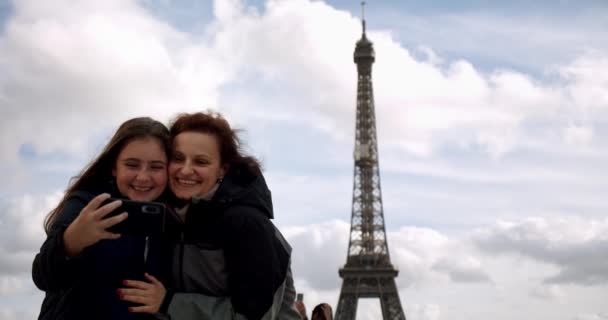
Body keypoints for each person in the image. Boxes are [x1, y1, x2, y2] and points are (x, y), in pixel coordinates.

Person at [119, 111, 302, 320]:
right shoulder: (167, 213)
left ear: (222, 170)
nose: (186, 170)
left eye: (201, 162)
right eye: (178, 158)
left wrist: (169, 302)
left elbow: (251, 316)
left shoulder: (249, 224)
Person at [32, 117, 171, 320]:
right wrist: (70, 242)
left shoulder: (174, 220)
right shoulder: (87, 205)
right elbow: (43, 277)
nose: (143, 176)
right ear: (114, 167)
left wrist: (167, 300)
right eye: (132, 165)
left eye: (156, 167)